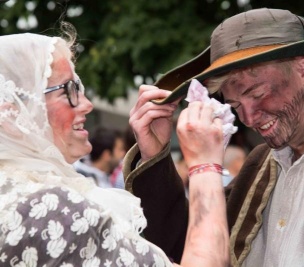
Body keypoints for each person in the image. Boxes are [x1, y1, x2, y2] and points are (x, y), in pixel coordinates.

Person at [0, 29, 229, 266]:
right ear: (12, 115)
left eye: (79, 87)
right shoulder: (49, 209)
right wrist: (205, 166)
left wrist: (155, 156)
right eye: (68, 90)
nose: (87, 105)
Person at [123, 8, 304, 267]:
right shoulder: (259, 165)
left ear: (303, 68)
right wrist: (155, 154)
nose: (248, 119)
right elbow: (194, 245)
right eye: (236, 106)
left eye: (258, 94)